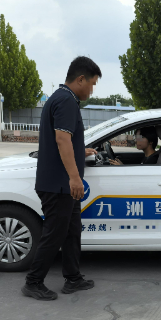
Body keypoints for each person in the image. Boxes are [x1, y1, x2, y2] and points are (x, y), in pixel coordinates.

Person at [21, 56, 101, 301]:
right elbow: (61, 140)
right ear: (80, 79)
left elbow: (65, 141)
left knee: (71, 231)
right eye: (93, 83)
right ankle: (33, 282)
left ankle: (73, 278)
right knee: (54, 234)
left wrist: (81, 151)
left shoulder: (61, 98)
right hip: (59, 185)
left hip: (60, 184)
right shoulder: (66, 101)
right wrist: (75, 178)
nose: (93, 89)